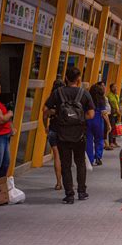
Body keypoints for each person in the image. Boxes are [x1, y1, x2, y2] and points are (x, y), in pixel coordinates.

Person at [44, 67, 95, 204]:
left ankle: (69, 195)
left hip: (62, 135)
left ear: (66, 78)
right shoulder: (84, 93)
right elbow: (91, 114)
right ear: (78, 79)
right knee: (80, 163)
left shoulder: (57, 93)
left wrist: (59, 114)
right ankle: (82, 192)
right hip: (79, 135)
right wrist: (79, 118)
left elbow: (46, 110)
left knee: (66, 164)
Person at [42, 79, 65, 190]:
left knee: (56, 156)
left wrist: (45, 126)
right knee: (66, 157)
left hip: (53, 130)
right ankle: (67, 181)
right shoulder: (66, 100)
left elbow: (44, 113)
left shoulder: (50, 99)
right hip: (65, 131)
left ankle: (58, 183)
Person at [86, 83, 108, 166]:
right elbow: (104, 113)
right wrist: (108, 124)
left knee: (88, 140)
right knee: (99, 139)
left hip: (89, 120)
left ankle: (90, 159)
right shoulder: (102, 100)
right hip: (98, 120)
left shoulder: (88, 99)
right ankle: (98, 157)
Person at [106, 83, 120, 148]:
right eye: (114, 87)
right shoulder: (109, 96)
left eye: (116, 87)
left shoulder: (116, 95)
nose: (115, 88)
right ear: (111, 88)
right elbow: (113, 104)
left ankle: (114, 141)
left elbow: (117, 104)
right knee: (112, 128)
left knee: (115, 128)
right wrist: (117, 111)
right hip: (112, 114)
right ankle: (111, 142)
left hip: (116, 114)